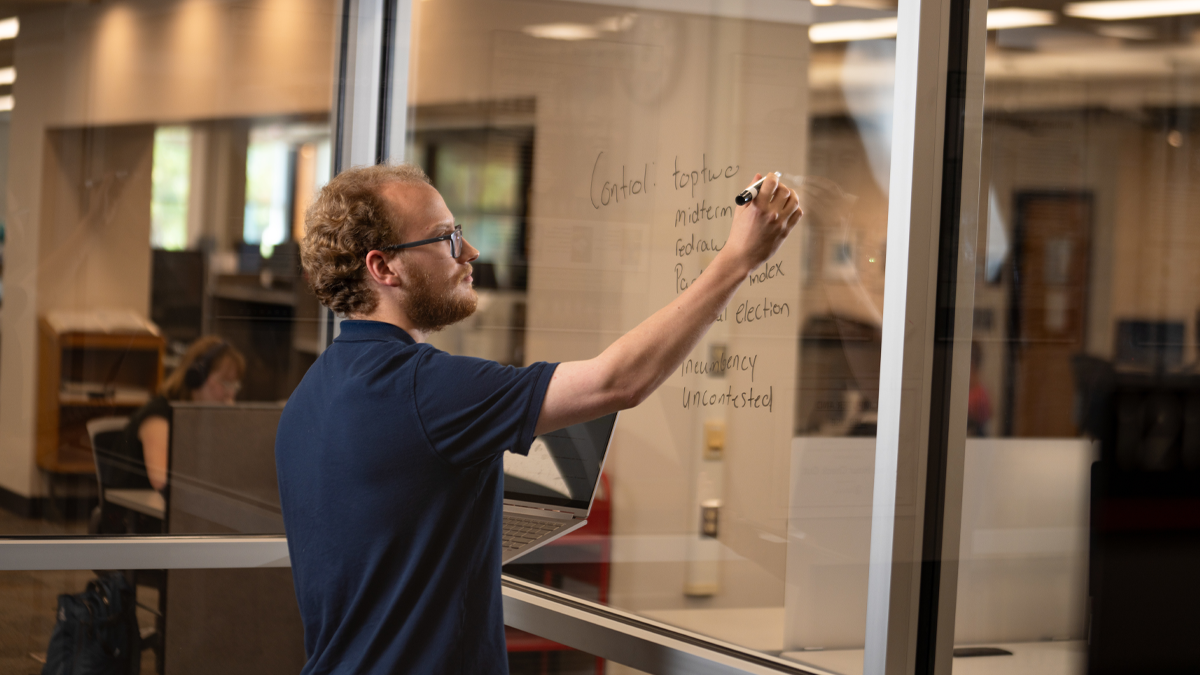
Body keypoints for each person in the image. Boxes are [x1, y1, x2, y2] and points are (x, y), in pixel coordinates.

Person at [275, 163, 801, 674]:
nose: (471, 252)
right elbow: (617, 382)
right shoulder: (423, 388)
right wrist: (738, 259)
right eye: (447, 239)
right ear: (384, 267)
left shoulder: (311, 395)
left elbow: (388, 527)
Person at [105, 336, 246, 495]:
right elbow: (162, 481)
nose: (231, 393)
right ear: (196, 377)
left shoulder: (203, 419)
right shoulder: (158, 416)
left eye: (235, 384)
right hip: (136, 514)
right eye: (225, 383)